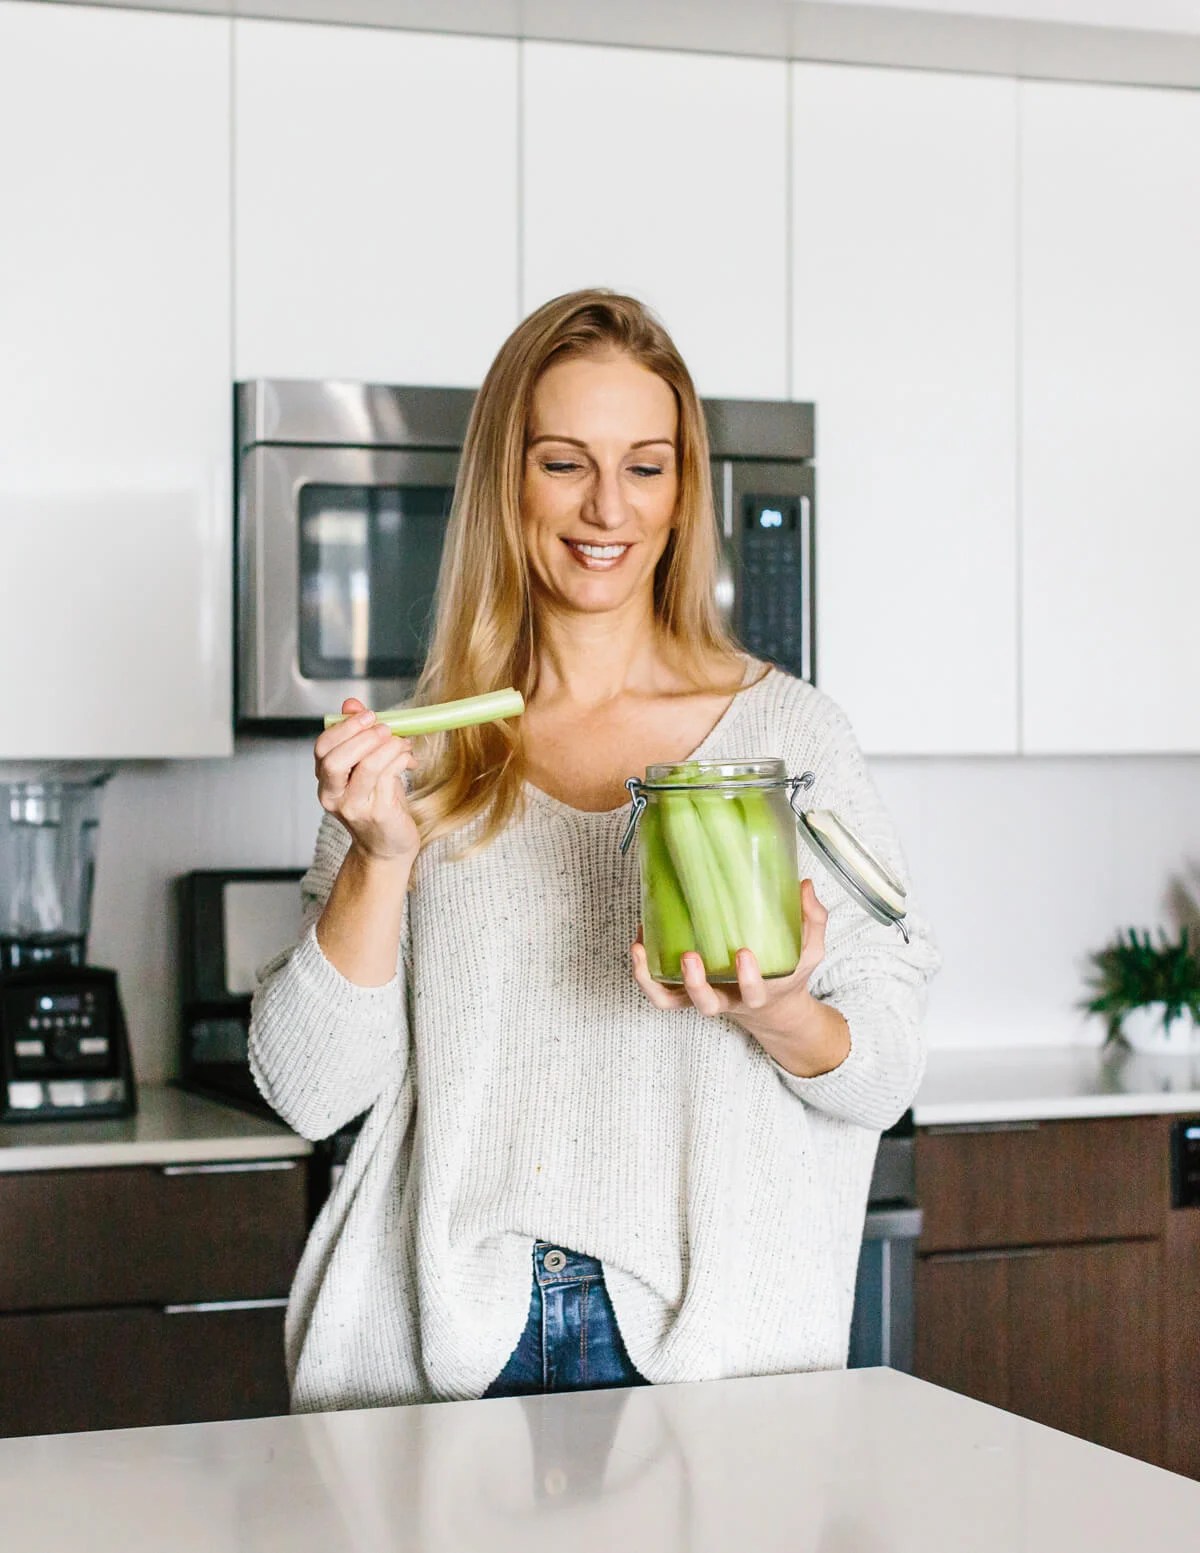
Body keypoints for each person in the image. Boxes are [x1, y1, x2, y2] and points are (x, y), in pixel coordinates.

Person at [249, 288, 940, 1412]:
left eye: (646, 465)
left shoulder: (788, 739)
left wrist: (780, 1010)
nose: (607, 505)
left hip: (712, 1352)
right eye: (564, 462)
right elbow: (310, 1090)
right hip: (444, 1346)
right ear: (506, 482)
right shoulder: (422, 751)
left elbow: (890, 1066)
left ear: (683, 492)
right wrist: (381, 856)